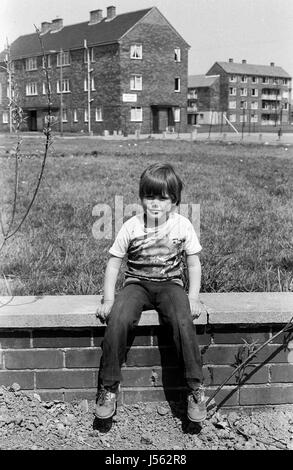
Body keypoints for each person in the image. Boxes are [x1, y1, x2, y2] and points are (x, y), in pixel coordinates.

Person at [95, 162, 206, 423]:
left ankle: (195, 388)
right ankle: (108, 387)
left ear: (174, 201)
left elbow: (193, 263)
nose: (155, 204)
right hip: (137, 285)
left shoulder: (183, 225)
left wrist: (193, 296)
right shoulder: (132, 226)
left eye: (162, 198)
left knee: (182, 321)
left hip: (170, 286)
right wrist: (109, 299)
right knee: (119, 319)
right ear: (141, 198)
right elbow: (114, 262)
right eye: (149, 196)